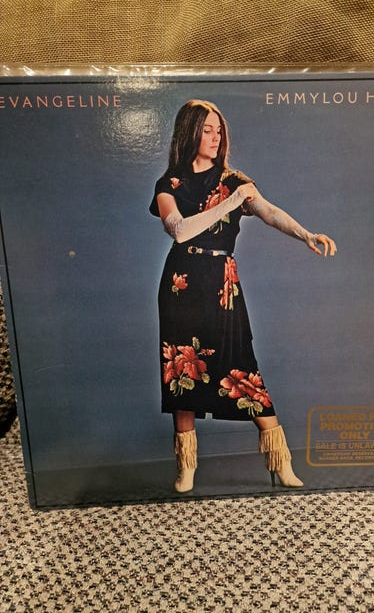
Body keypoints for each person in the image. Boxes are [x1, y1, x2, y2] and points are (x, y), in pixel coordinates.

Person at [149, 99, 337, 493]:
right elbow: (180, 231)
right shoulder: (170, 184)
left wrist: (306, 234)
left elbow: (269, 212)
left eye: (219, 130)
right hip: (182, 285)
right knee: (182, 372)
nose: (215, 137)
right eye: (206, 130)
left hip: (221, 285)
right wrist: (233, 202)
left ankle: (281, 462)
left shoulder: (233, 180)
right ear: (189, 133)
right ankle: (186, 468)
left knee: (242, 367)